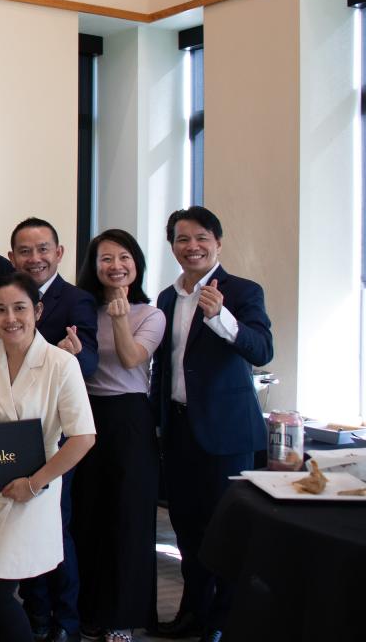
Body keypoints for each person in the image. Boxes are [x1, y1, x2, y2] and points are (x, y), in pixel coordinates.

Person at [0, 272, 96, 642]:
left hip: (33, 488)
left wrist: (34, 484)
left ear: (38, 310)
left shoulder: (61, 364)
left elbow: (83, 438)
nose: (10, 318)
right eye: (0, 310)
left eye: (19, 308)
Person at [150, 207, 272, 642]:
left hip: (227, 434)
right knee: (188, 529)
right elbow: (163, 368)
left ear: (217, 242)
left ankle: (222, 622)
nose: (192, 247)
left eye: (201, 237)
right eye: (183, 239)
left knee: (228, 531)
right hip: (179, 431)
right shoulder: (167, 298)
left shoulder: (242, 291)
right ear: (173, 247)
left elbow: (262, 350)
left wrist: (222, 317)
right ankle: (193, 613)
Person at [72, 230, 165, 642]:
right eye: (105, 258)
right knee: (87, 514)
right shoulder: (82, 308)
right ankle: (88, 610)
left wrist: (121, 315)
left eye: (123, 257)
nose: (115, 266)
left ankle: (121, 618)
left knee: (127, 518)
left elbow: (130, 358)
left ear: (136, 263)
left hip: (128, 417)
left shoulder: (151, 313)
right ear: (93, 266)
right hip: (85, 413)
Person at [8, 217, 98, 642]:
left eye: (43, 249)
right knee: (23, 524)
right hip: (15, 430)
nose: (34, 258)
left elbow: (91, 361)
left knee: (55, 527)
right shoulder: (7, 296)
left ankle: (66, 621)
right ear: (12, 258)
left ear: (59, 253)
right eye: (25, 251)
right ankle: (36, 613)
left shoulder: (76, 300)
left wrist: (72, 357)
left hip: (59, 435)